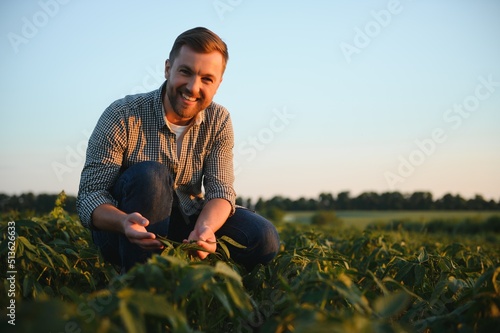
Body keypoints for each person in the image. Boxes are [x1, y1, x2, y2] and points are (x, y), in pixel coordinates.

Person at [76, 27, 280, 273]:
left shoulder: (219, 120)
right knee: (151, 175)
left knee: (263, 237)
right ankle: (140, 282)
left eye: (207, 79)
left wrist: (205, 229)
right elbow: (91, 194)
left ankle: (192, 260)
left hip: (186, 218)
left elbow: (221, 191)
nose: (193, 88)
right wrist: (123, 222)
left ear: (218, 84)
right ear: (167, 69)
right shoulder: (122, 115)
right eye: (186, 72)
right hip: (124, 229)